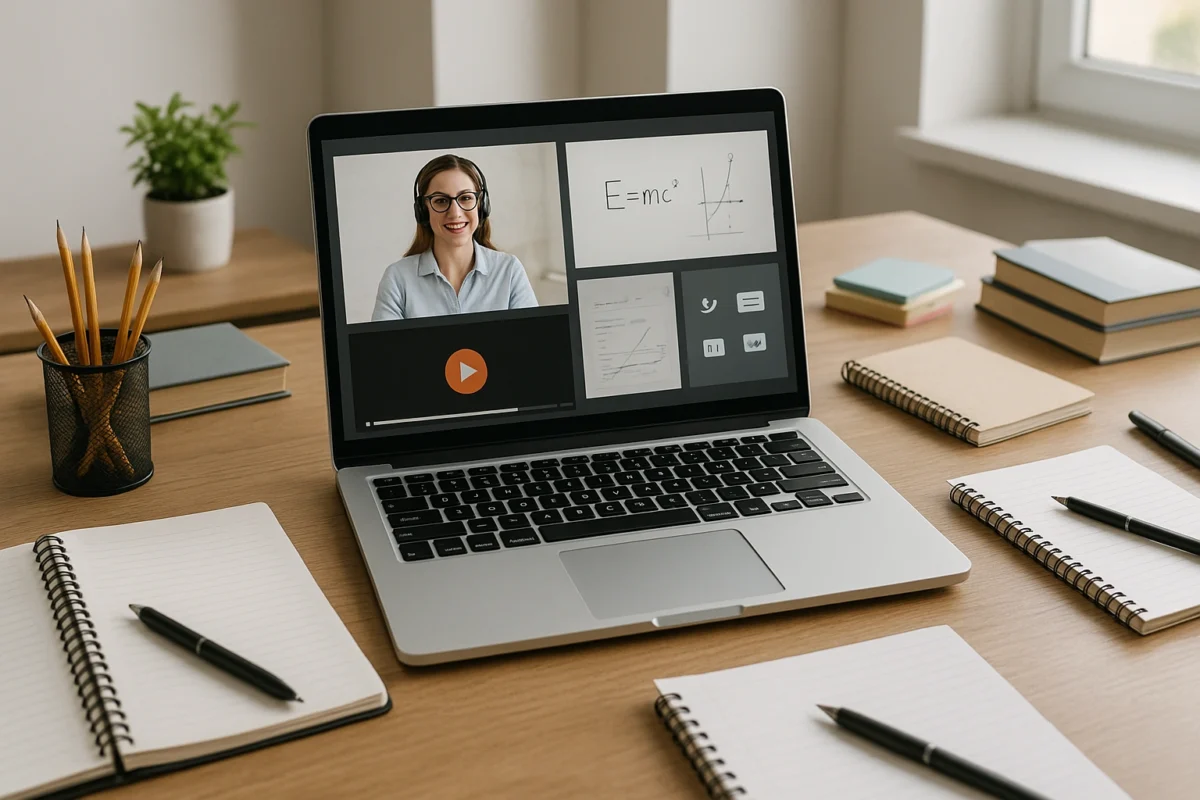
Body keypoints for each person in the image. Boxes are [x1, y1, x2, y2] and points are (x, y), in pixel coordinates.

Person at [372, 154, 538, 320]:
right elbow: (384, 346)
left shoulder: (508, 271)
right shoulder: (398, 278)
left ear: (481, 205)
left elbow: (532, 342)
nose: (455, 213)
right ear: (423, 210)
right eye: (441, 201)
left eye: (465, 198)